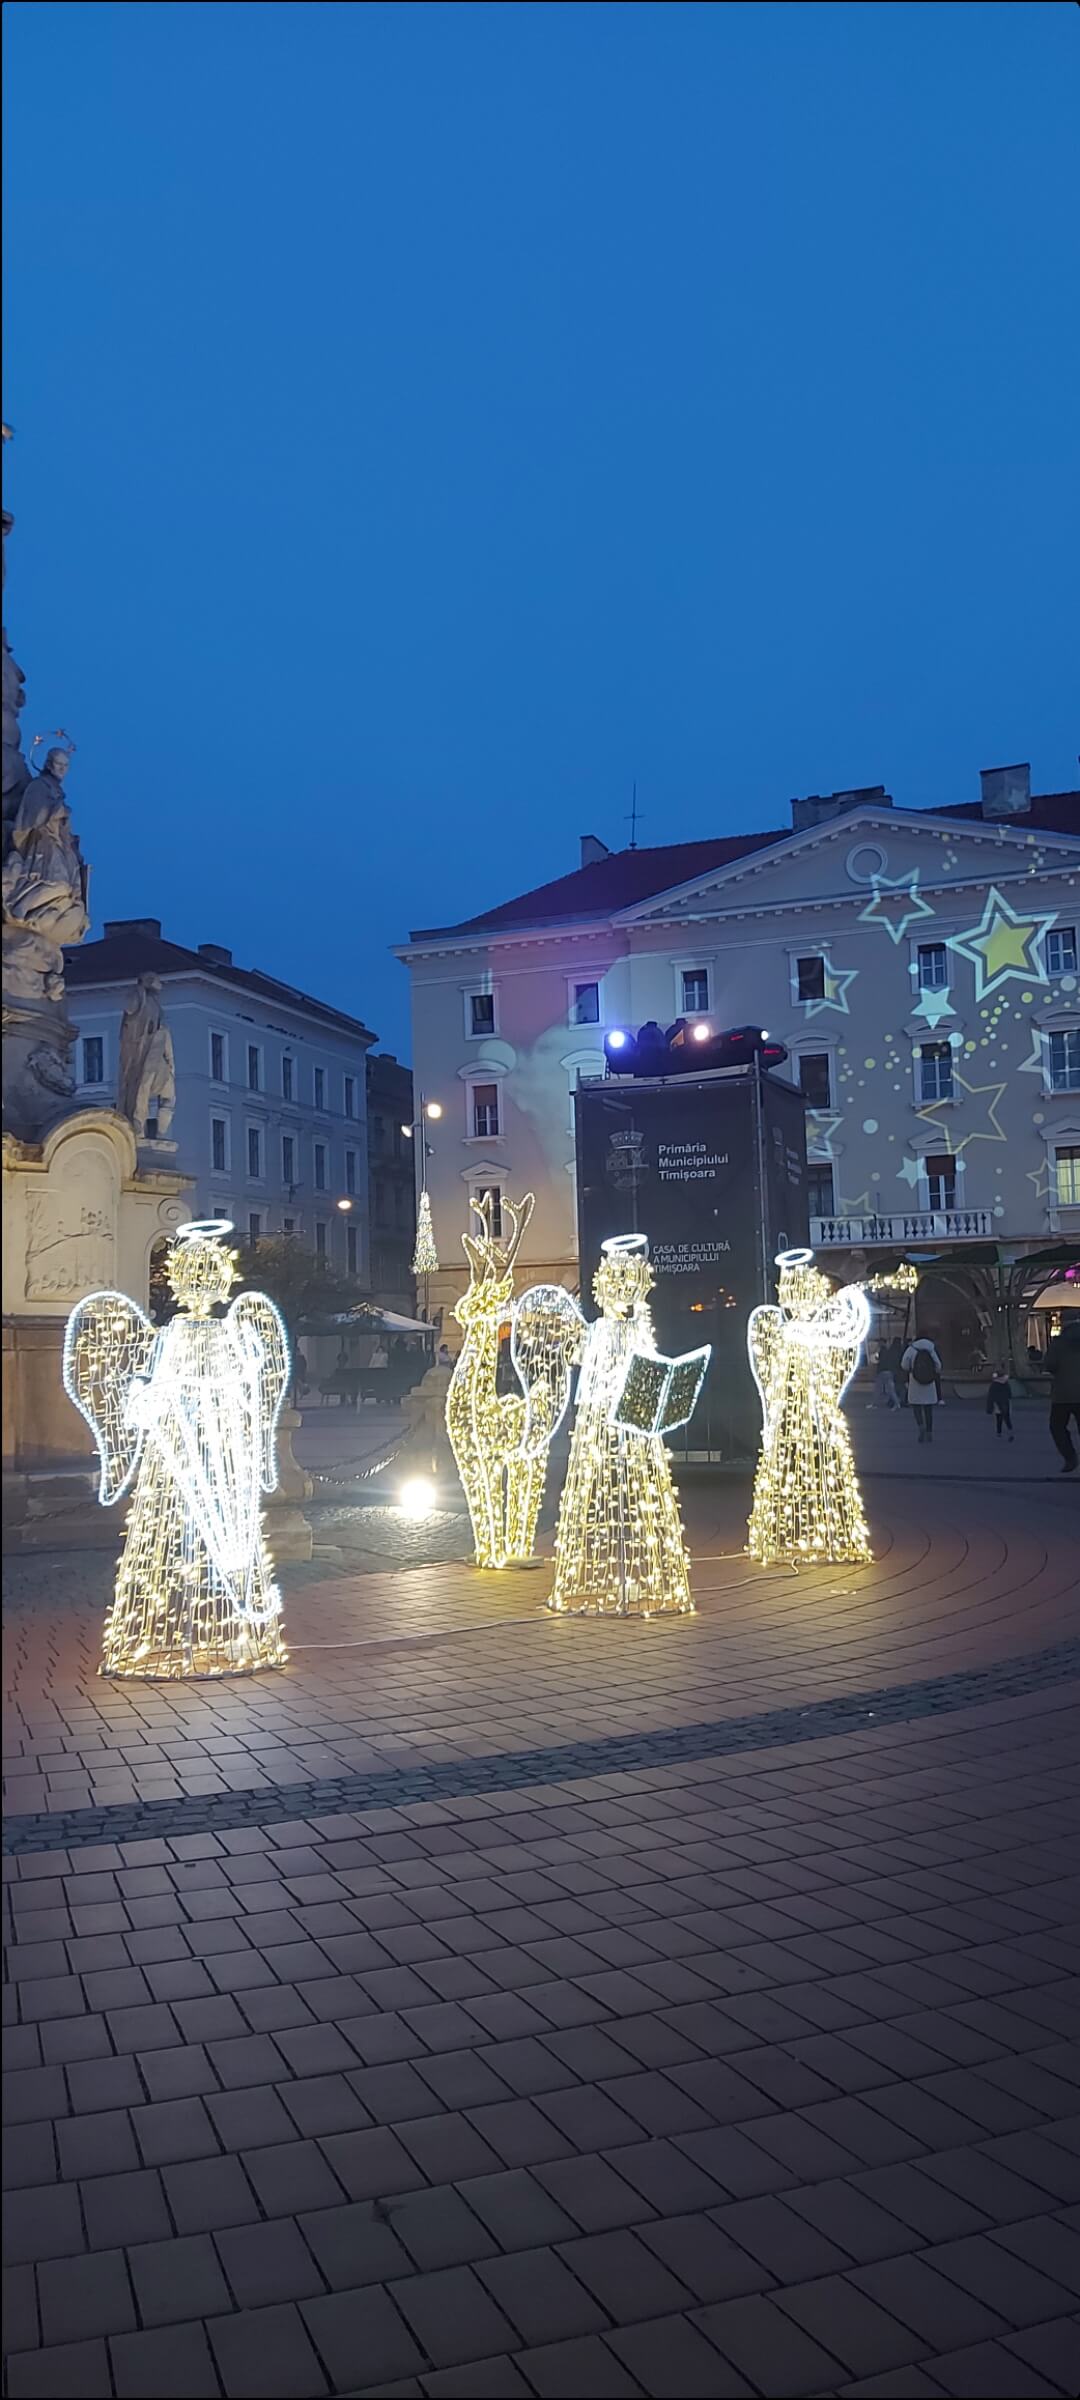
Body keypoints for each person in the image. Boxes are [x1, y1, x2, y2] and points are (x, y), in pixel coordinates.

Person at [1045, 1320, 1080, 1474]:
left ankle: (1070, 1457)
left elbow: (1050, 1365)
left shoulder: (1058, 1344)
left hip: (1063, 1394)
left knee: (1057, 1427)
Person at [901, 1332, 943, 1443]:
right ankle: (929, 1431)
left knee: (916, 1406)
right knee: (928, 1409)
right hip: (929, 1382)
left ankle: (920, 1425)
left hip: (915, 1381)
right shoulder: (931, 1349)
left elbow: (904, 1365)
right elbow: (938, 1366)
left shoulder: (911, 1349)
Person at [986, 1361, 1015, 1443]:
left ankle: (999, 1432)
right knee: (1007, 1417)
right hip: (1006, 1402)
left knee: (999, 1418)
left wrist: (989, 1406)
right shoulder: (1006, 1383)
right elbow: (1009, 1393)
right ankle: (1010, 1432)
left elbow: (991, 1395)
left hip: (997, 1403)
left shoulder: (994, 1384)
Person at [876, 1336, 901, 1409]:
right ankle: (896, 1402)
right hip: (890, 1371)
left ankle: (896, 1402)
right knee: (890, 1389)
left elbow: (882, 1362)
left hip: (884, 1371)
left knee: (881, 1388)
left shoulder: (884, 1350)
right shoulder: (889, 1350)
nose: (878, 1343)